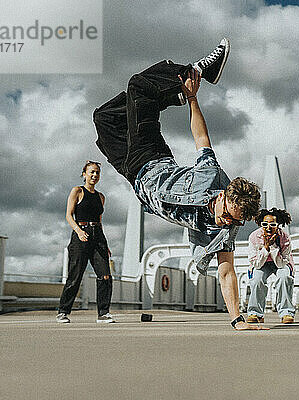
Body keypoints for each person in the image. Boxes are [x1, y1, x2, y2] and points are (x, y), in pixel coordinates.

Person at [93, 38, 265, 331]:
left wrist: (238, 320)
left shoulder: (223, 229)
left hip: (133, 176)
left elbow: (227, 272)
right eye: (226, 211)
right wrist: (194, 100)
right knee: (139, 86)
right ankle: (194, 73)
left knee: (104, 118)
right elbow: (201, 138)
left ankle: (175, 93)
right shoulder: (213, 174)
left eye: (231, 220)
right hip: (152, 156)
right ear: (225, 194)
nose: (223, 219)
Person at [57, 161, 114, 323]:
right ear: (84, 174)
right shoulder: (77, 191)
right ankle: (63, 312)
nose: (95, 175)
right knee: (75, 276)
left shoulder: (101, 197)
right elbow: (69, 215)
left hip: (98, 237)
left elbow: (100, 221)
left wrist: (105, 244)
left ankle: (103, 313)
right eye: (92, 172)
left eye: (97, 173)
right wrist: (79, 231)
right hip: (80, 234)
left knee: (105, 276)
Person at [247, 208, 295, 324]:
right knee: (257, 279)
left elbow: (282, 263)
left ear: (278, 225)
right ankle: (255, 313)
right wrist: (265, 248)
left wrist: (273, 248)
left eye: (272, 224)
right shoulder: (254, 237)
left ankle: (286, 312)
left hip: (280, 262)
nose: (268, 227)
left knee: (284, 278)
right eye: (265, 224)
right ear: (260, 224)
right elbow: (256, 264)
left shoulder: (284, 237)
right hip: (261, 264)